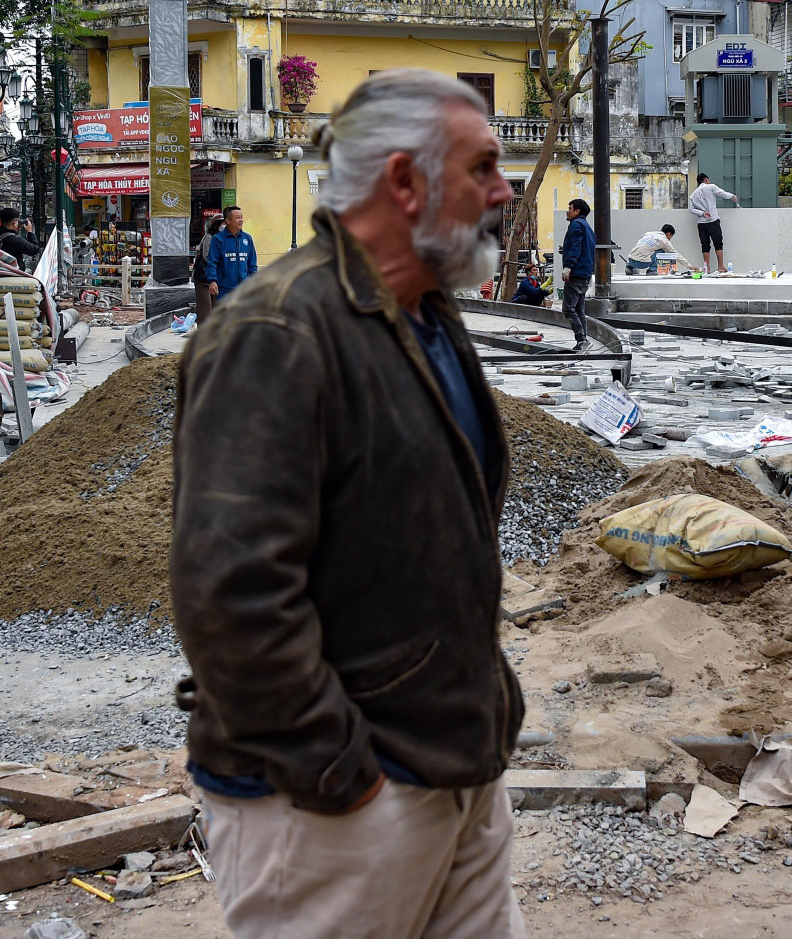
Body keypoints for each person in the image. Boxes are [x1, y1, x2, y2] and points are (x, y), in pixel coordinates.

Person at [171, 69, 524, 939]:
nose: (503, 189)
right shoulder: (277, 331)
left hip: (457, 773)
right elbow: (232, 591)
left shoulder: (424, 317)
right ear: (404, 182)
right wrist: (340, 770)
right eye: (482, 166)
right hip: (336, 803)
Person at [559, 197, 595, 350]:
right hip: (585, 273)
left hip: (576, 273)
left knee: (568, 309)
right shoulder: (587, 227)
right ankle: (584, 340)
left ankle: (581, 340)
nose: (567, 211)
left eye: (570, 208)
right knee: (579, 309)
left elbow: (576, 247)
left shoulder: (576, 225)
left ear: (577, 211)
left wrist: (568, 266)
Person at [203, 205, 258, 304]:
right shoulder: (218, 239)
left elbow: (252, 264)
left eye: (241, 217)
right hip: (225, 289)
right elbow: (212, 262)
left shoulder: (247, 238)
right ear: (228, 221)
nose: (241, 220)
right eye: (237, 218)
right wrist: (212, 281)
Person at [688, 172, 739, 274]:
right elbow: (722, 193)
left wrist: (702, 213)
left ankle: (707, 268)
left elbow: (691, 209)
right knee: (718, 243)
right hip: (713, 220)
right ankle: (720, 266)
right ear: (706, 180)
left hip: (701, 223)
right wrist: (732, 196)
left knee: (705, 245)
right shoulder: (711, 187)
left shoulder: (693, 195)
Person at [624, 224, 695, 276]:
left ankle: (629, 267)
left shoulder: (648, 233)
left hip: (630, 259)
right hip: (642, 263)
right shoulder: (664, 241)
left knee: (642, 247)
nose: (670, 238)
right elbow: (676, 255)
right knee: (661, 251)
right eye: (671, 236)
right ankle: (652, 270)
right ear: (668, 233)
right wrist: (689, 266)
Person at [191, 215, 225, 321]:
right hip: (203, 278)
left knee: (216, 307)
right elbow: (207, 256)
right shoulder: (210, 237)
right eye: (223, 224)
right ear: (217, 225)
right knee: (205, 308)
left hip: (215, 278)